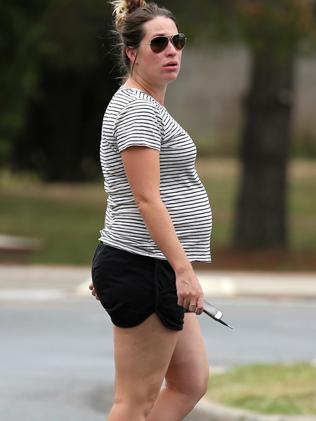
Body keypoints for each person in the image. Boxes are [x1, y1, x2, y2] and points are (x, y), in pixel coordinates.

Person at [89, 1, 213, 419]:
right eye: (158, 43)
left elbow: (121, 192)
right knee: (134, 400)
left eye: (177, 41)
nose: (171, 50)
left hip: (144, 262)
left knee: (190, 381)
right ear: (132, 53)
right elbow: (144, 198)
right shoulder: (139, 110)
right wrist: (183, 269)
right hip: (147, 265)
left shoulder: (145, 105)